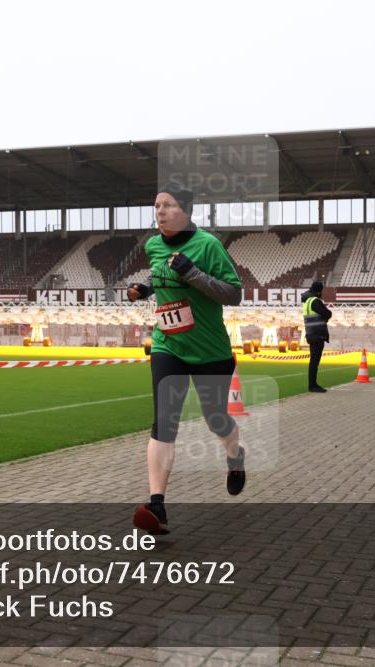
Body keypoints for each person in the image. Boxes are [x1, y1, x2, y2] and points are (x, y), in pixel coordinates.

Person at [126, 184, 244, 535]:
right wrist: (145, 289)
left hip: (210, 351)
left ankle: (235, 457)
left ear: (187, 212)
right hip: (168, 345)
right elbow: (160, 275)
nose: (160, 211)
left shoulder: (207, 245)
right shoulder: (153, 245)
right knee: (165, 420)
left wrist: (192, 272)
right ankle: (157, 504)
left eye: (168, 205)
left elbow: (233, 293)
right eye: (157, 205)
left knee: (216, 418)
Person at [301, 281, 331, 393]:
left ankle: (312, 384)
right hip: (318, 334)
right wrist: (325, 318)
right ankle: (312, 385)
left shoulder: (307, 302)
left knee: (313, 361)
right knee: (314, 362)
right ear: (319, 291)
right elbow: (328, 313)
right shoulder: (315, 301)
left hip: (311, 333)